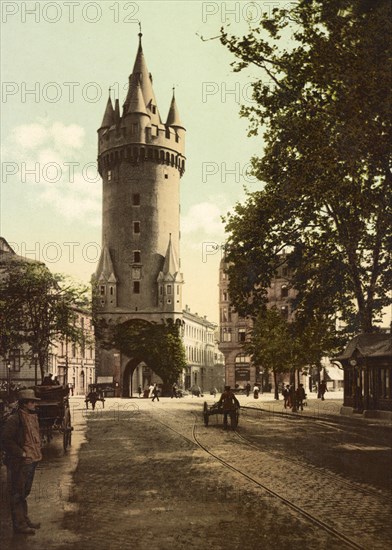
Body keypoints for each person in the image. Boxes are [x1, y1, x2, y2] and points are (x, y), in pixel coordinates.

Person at [2, 389, 42, 534]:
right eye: (31, 402)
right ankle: (19, 525)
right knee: (18, 493)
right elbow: (6, 439)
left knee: (24, 492)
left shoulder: (31, 417)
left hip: (31, 460)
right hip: (20, 462)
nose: (34, 404)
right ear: (24, 404)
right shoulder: (15, 419)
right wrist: (21, 452)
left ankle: (24, 519)